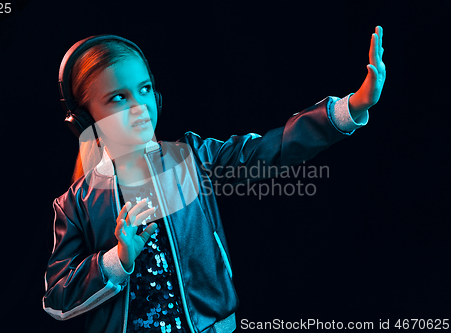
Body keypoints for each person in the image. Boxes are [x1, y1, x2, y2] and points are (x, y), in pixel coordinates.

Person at [43, 27, 385, 333]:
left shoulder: (191, 158)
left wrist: (351, 107)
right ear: (85, 119)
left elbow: (266, 151)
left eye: (145, 89)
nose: (140, 107)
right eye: (119, 97)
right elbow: (57, 297)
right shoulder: (75, 205)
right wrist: (117, 259)